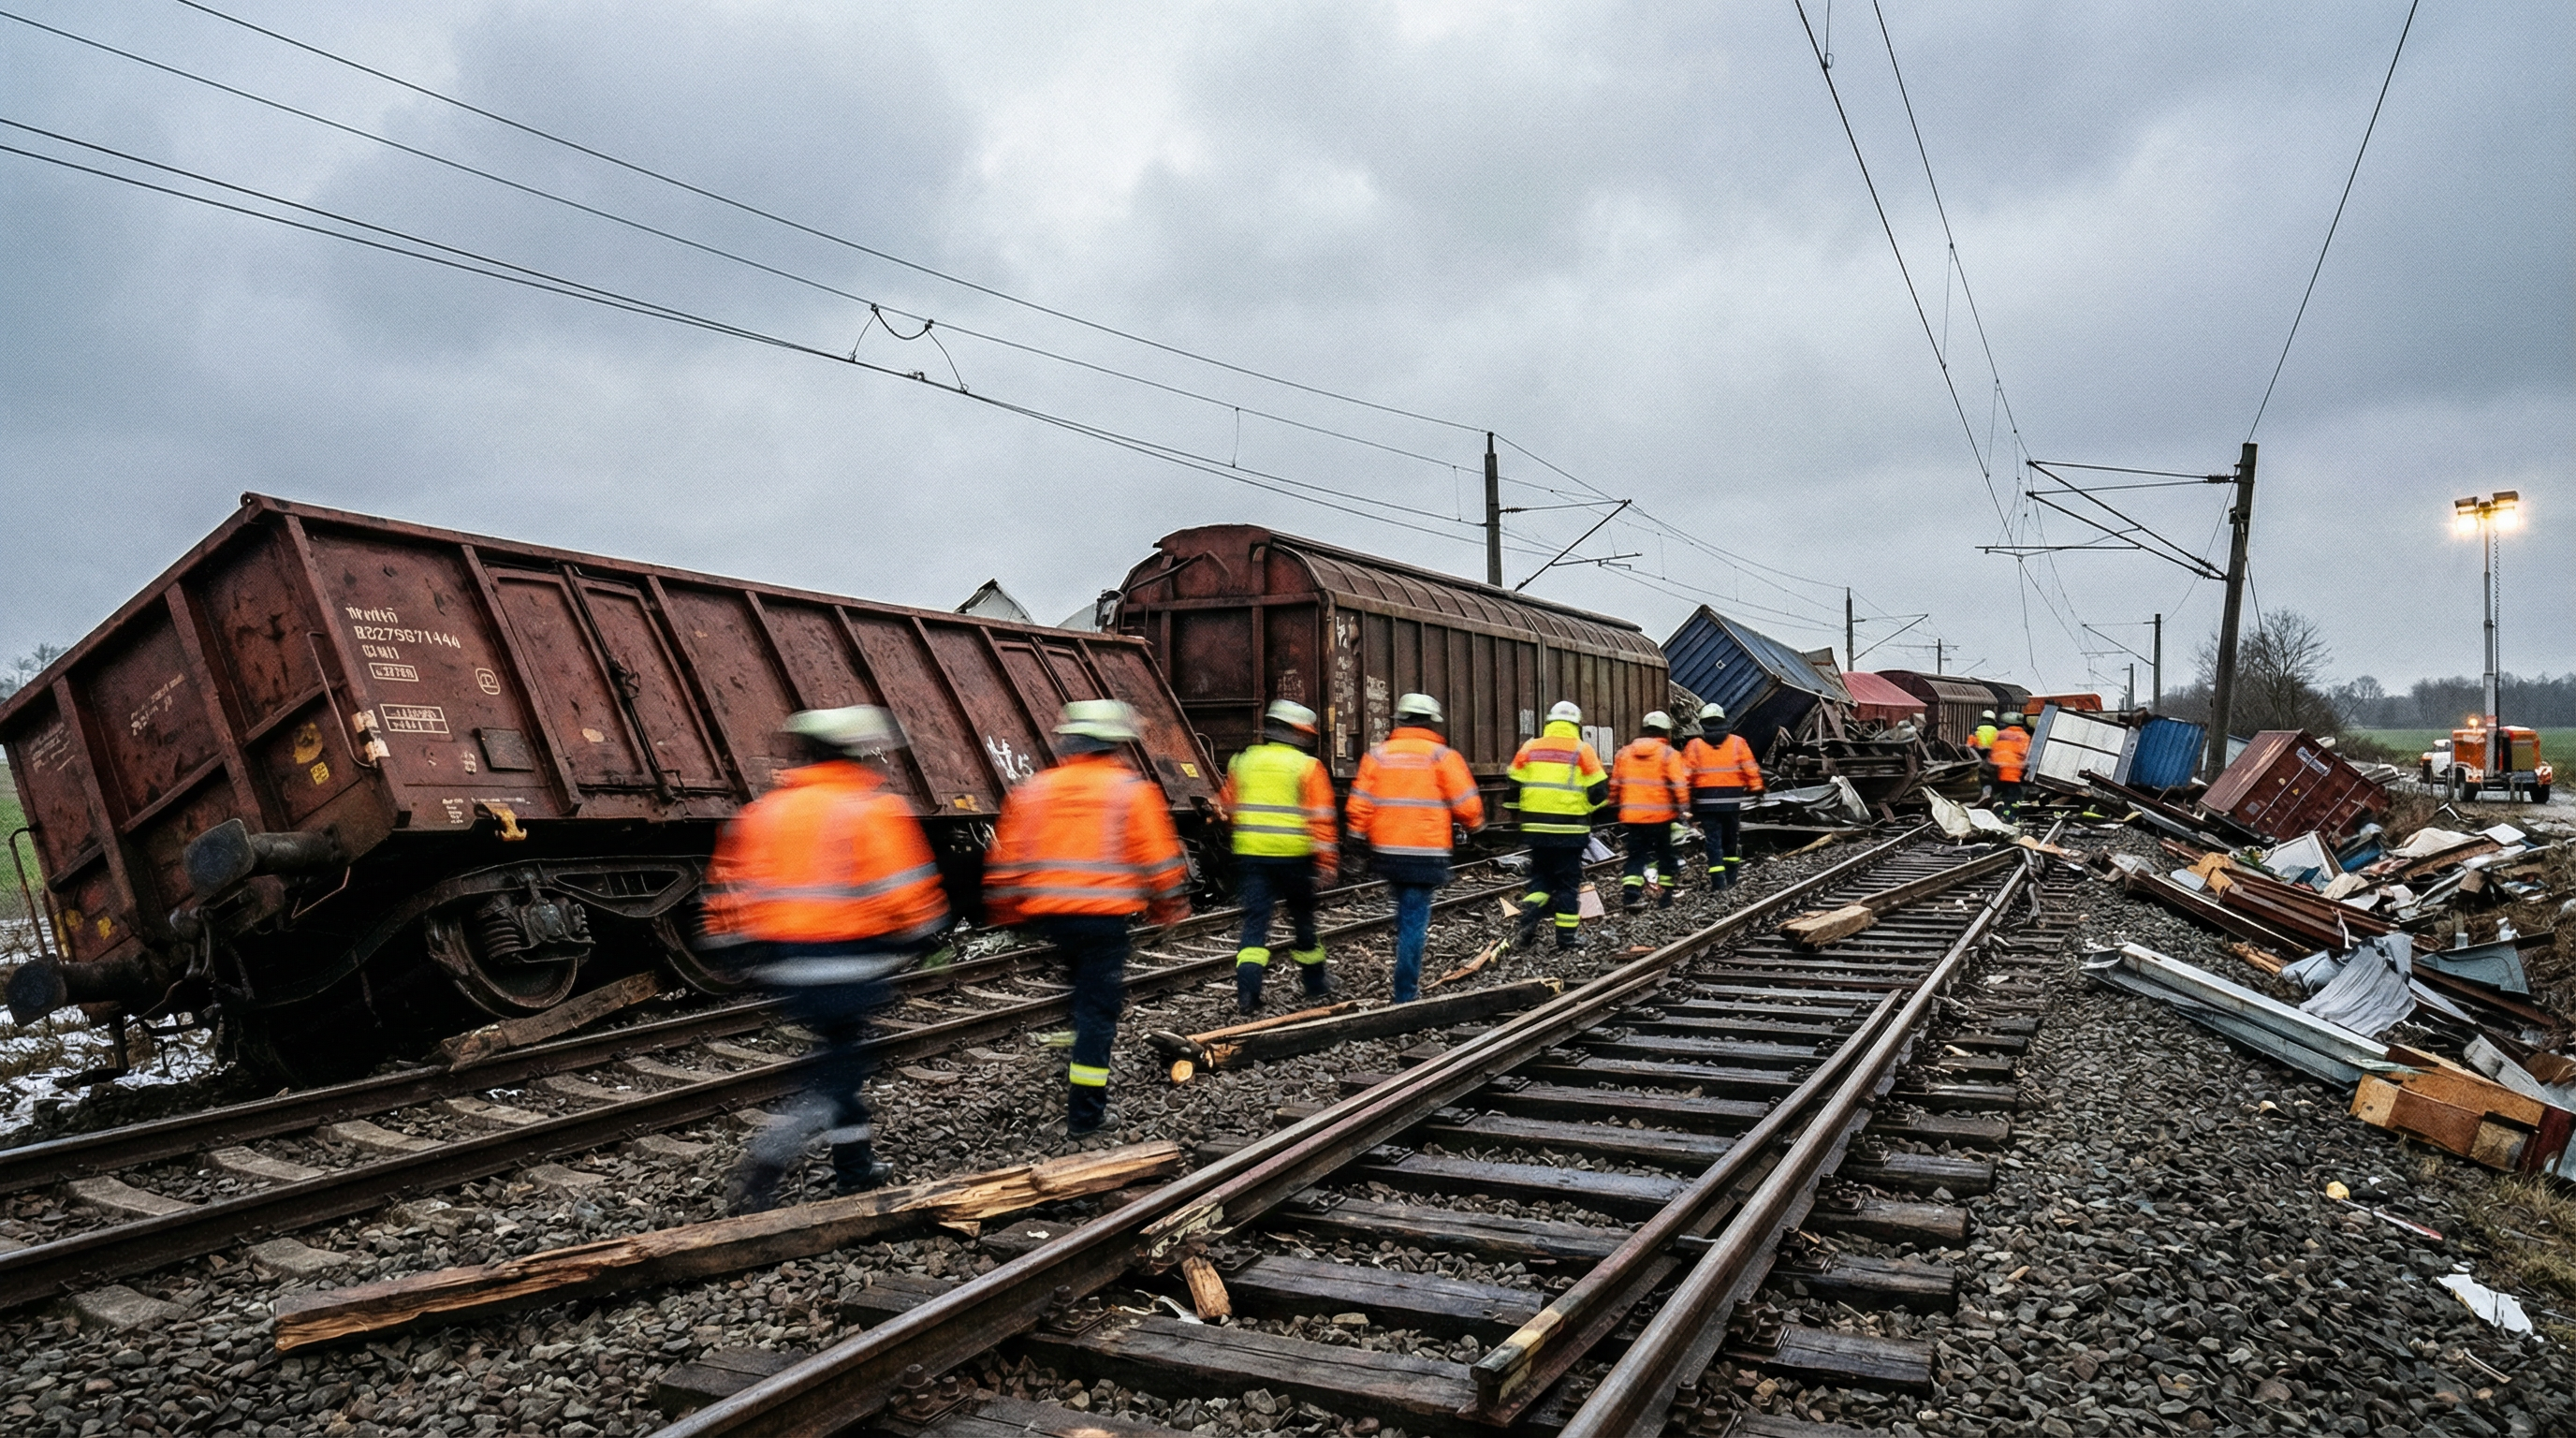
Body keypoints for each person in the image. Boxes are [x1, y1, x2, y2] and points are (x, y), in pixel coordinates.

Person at [705, 706, 949, 1213]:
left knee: (842, 1061)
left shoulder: (764, 811)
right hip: (848, 964)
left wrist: (734, 949)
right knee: (837, 1074)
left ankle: (855, 1166)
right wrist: (925, 934)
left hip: (783, 966)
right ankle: (768, 1160)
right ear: (854, 752)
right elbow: (905, 893)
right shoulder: (869, 808)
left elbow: (729, 892)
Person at [984, 699, 1191, 1136]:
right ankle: (1086, 1115)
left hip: (1052, 918)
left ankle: (1072, 1055)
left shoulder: (1035, 789)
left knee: (1080, 999)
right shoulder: (1131, 791)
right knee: (1097, 1012)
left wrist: (1006, 910)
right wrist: (1168, 907)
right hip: (1104, 921)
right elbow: (1159, 862)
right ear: (1115, 743)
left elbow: (1005, 862)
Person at [1345, 692, 1484, 1002]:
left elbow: (1361, 804)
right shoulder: (1442, 757)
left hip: (1387, 853)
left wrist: (1356, 836)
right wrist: (1476, 826)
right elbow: (1466, 804)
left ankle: (1405, 985)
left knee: (1404, 914)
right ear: (1432, 723)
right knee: (1413, 921)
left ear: (1400, 721)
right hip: (1427, 854)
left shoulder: (1378, 756)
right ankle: (1405, 993)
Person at [1222, 700, 1339, 1014]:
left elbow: (1229, 809)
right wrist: (1327, 862)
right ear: (1301, 734)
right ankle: (1315, 986)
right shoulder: (1307, 767)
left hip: (1252, 857)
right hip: (1295, 859)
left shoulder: (1242, 761)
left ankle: (1247, 995)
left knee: (1254, 925)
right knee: (1303, 923)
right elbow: (1322, 819)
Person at [1506, 700, 1609, 950]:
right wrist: (1585, 810)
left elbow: (1512, 792)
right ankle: (1566, 940)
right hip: (1570, 831)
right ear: (1576, 724)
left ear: (1549, 723)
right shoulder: (1582, 750)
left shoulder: (1529, 748)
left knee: (1540, 878)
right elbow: (1600, 794)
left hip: (1536, 830)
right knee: (1566, 884)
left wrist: (1518, 817)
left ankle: (1528, 925)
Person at [1611, 712, 1690, 911]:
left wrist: (1613, 802)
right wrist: (1684, 808)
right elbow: (1679, 784)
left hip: (1633, 817)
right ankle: (1665, 897)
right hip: (1661, 817)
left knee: (1636, 856)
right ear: (1665, 731)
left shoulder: (1624, 753)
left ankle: (1631, 894)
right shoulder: (1668, 754)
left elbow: (1615, 784)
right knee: (1665, 855)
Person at [1682, 702, 1764, 889]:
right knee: (1731, 840)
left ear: (1702, 723)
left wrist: (1686, 804)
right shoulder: (1737, 742)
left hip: (1706, 804)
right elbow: (1750, 769)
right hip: (1731, 803)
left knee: (1713, 842)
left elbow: (1684, 777)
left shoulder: (1694, 745)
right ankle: (1732, 880)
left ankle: (1719, 884)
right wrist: (1757, 788)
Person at [1989, 715, 2032, 818]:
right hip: (2013, 773)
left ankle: (1998, 813)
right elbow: (2027, 754)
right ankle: (2010, 817)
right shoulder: (2024, 737)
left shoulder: (1999, 735)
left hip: (1998, 772)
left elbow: (1993, 751)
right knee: (2014, 798)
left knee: (2000, 795)